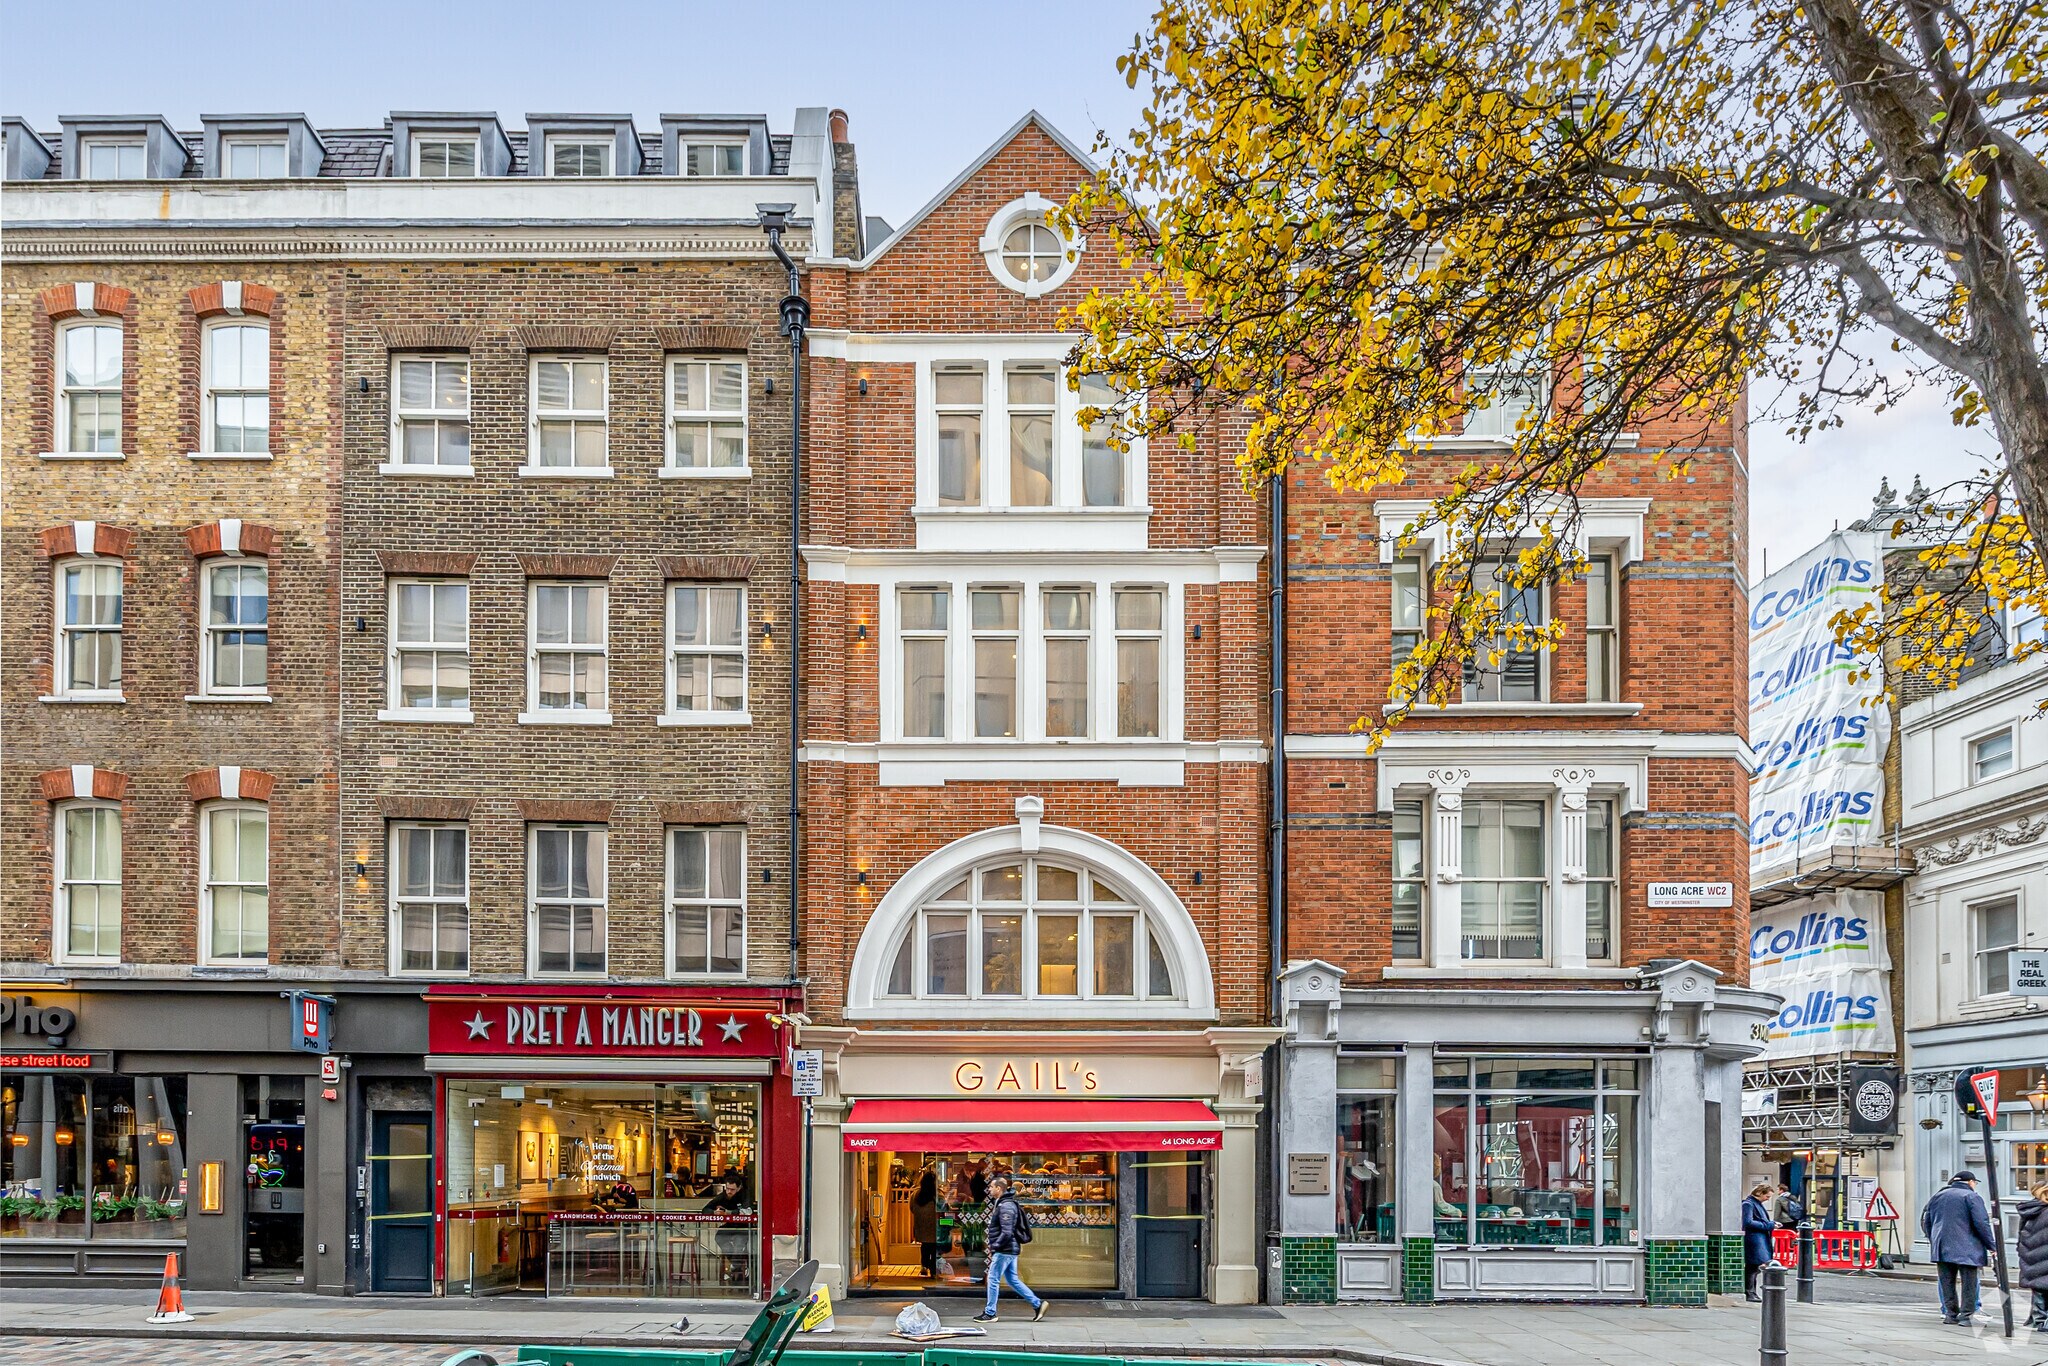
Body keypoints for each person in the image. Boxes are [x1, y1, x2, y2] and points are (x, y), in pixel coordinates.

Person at [1922, 1170, 1999, 1325]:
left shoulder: (1937, 1196)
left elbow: (1926, 1221)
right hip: (1968, 1247)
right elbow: (1981, 1224)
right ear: (1970, 1182)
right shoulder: (1972, 1197)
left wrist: (1934, 1239)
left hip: (1942, 1246)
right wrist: (1992, 1246)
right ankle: (1966, 1316)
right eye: (1975, 1183)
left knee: (1946, 1282)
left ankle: (1950, 1314)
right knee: (1969, 1283)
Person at [973, 1176, 1046, 1323]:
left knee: (993, 1279)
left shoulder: (1006, 1206)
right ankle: (1038, 1304)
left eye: (991, 1187)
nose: (989, 1189)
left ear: (999, 1188)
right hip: (1009, 1249)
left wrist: (995, 1246)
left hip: (1004, 1249)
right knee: (1012, 1280)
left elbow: (1007, 1232)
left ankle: (990, 1312)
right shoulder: (1003, 1203)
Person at [2017, 1180, 2048, 1330]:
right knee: (2043, 1285)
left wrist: (2022, 1250)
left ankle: (2036, 1317)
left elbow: (2021, 1233)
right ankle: (2040, 1320)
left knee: (2039, 1286)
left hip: (2031, 1253)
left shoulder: (2031, 1208)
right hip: (2043, 1253)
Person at [1741, 1181, 1777, 1302]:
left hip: (1758, 1239)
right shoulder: (1749, 1204)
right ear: (1760, 1193)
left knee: (1755, 1267)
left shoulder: (1755, 1204)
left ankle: (1752, 1292)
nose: (1767, 1199)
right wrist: (1769, 1225)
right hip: (1754, 1240)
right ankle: (1749, 1292)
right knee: (1752, 1267)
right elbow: (1748, 1222)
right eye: (1767, 1196)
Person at [912, 1168, 944, 1277]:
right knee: (934, 1247)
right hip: (935, 1227)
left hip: (921, 1226)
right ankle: (933, 1269)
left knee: (925, 1245)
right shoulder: (939, 1195)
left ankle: (924, 1266)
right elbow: (944, 1210)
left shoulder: (916, 1195)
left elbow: (912, 1208)